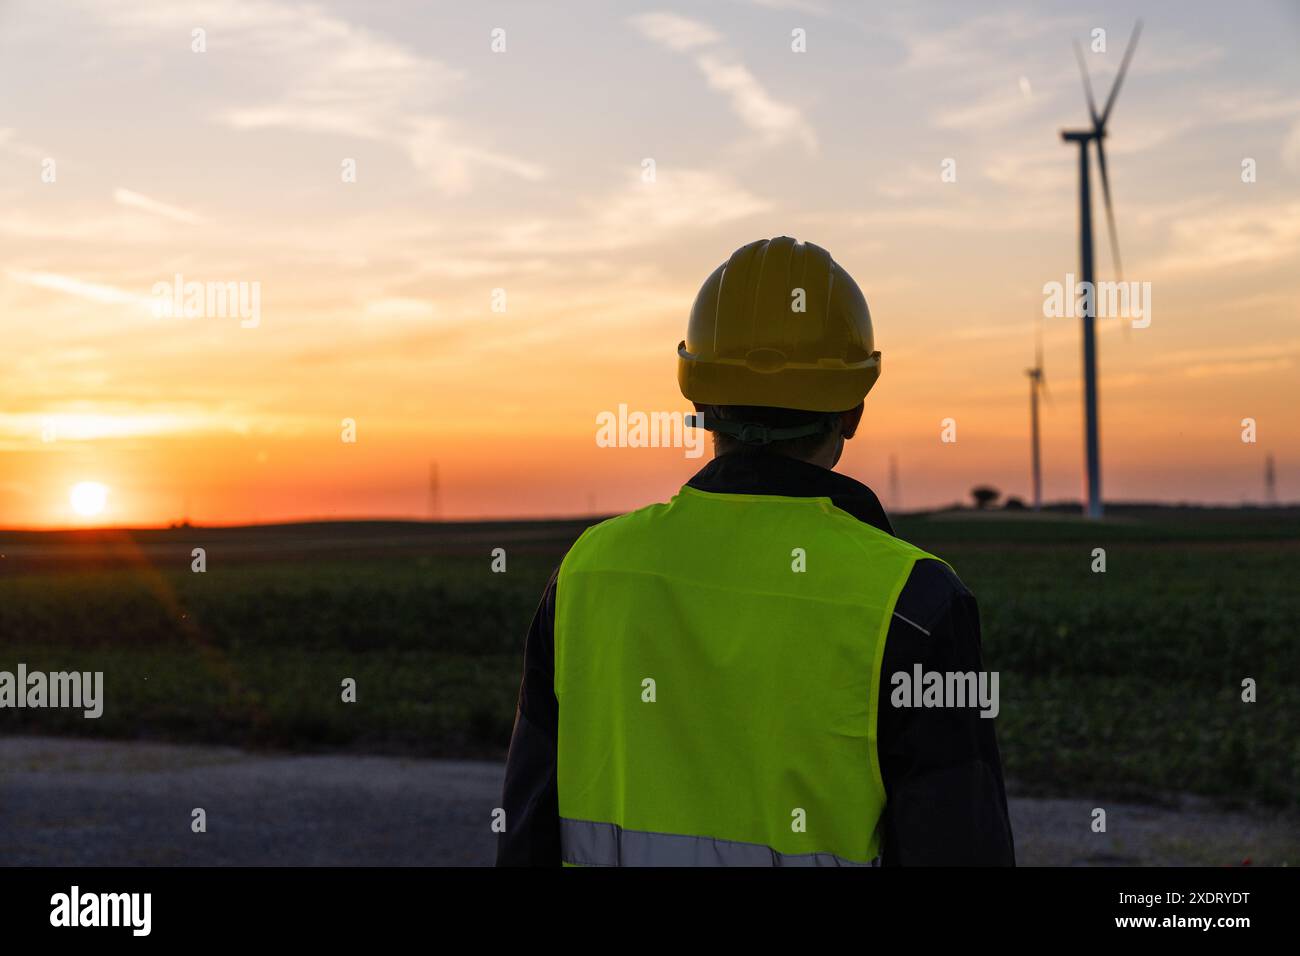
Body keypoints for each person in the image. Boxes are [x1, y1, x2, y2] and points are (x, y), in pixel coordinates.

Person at [497, 237, 1015, 866]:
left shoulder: (587, 573)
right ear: (852, 409)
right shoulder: (917, 604)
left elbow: (524, 837)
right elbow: (958, 845)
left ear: (697, 399)